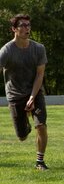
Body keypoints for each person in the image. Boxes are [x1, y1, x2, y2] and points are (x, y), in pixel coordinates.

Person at [0, 14, 49, 170]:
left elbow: (40, 74)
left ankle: (40, 162)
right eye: (23, 25)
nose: (27, 28)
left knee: (41, 126)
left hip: (34, 91)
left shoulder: (38, 49)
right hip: (15, 95)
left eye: (28, 25)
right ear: (14, 29)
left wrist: (32, 97)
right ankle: (25, 125)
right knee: (22, 136)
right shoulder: (6, 50)